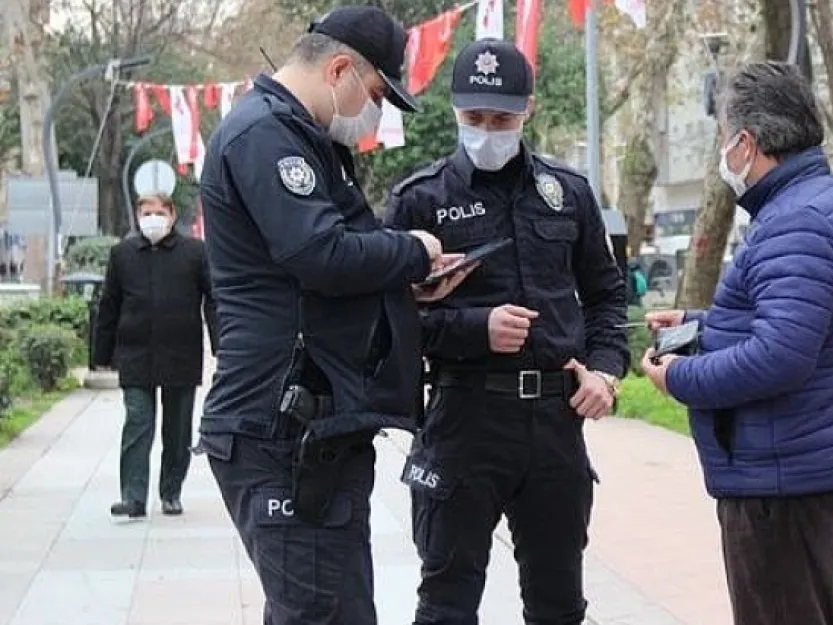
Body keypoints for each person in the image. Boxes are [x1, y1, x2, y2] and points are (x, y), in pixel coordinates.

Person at [195, 6, 469, 625]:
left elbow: (315, 275)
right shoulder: (265, 135)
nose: (375, 116)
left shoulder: (300, 137)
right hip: (281, 430)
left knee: (330, 609)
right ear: (340, 68)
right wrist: (415, 251)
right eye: (376, 95)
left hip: (315, 428)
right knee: (320, 614)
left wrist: (402, 290)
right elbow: (320, 254)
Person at [385, 39, 629, 625]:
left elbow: (606, 297)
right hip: (464, 419)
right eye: (474, 118)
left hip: (553, 423)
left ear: (529, 111)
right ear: (454, 111)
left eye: (501, 119)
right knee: (447, 601)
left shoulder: (567, 194)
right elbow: (390, 323)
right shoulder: (420, 200)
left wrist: (605, 372)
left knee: (559, 603)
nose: (487, 130)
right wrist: (474, 328)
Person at [639, 61, 833, 625]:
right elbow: (803, 323)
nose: (722, 152)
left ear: (746, 143)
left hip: (785, 485)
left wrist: (678, 376)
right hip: (824, 468)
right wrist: (700, 324)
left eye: (723, 138)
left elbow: (780, 356)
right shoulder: (829, 201)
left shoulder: (795, 222)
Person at [93, 193, 218, 519]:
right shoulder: (122, 254)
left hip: (180, 353)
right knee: (137, 423)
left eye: (159, 212)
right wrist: (100, 353)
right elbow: (109, 305)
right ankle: (133, 497)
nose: (153, 218)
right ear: (137, 215)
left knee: (177, 431)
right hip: (135, 353)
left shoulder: (194, 253)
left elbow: (213, 300)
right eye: (146, 212)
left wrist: (223, 345)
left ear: (173, 215)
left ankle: (171, 491)